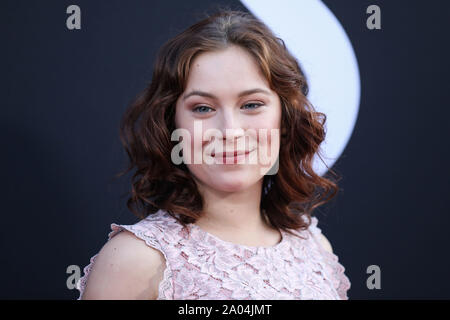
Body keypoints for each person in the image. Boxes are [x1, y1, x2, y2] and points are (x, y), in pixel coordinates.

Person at [76, 8, 351, 300]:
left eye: (251, 105)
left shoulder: (315, 247)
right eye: (203, 108)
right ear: (172, 125)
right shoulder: (136, 260)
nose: (230, 131)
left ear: (284, 120)